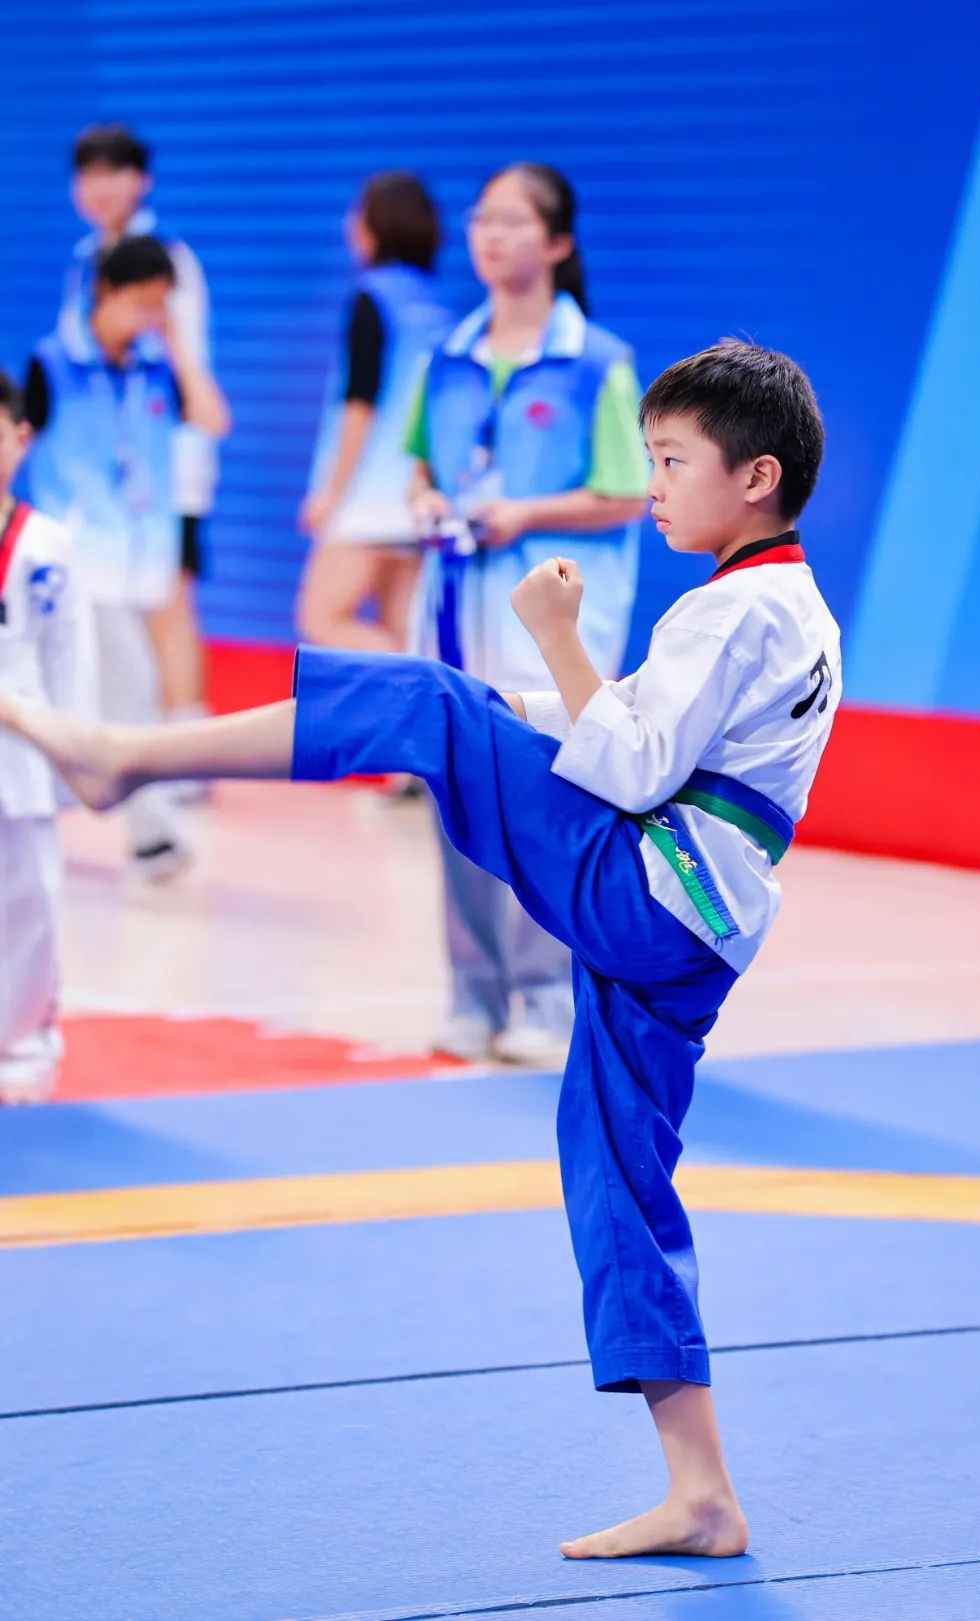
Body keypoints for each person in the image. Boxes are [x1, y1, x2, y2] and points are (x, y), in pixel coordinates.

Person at [0, 339, 840, 1558]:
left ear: (755, 476)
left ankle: (123, 757)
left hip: (647, 892)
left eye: (670, 461)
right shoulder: (788, 604)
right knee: (618, 1170)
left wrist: (551, 633)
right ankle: (703, 1490)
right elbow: (633, 731)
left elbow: (633, 764)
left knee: (425, 704)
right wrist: (521, 704)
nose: (651, 485)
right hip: (698, 928)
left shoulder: (733, 606)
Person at [406, 161, 648, 1064]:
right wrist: (426, 497)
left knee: (547, 808)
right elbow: (420, 459)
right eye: (482, 219)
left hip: (553, 626)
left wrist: (524, 514)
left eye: (513, 221)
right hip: (457, 613)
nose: (492, 236)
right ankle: (472, 994)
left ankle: (545, 1000)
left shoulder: (598, 363)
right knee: (459, 801)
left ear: (557, 242)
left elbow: (627, 492)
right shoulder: (447, 355)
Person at [24, 234, 229, 879]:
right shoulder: (51, 364)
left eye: (160, 305)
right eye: (141, 303)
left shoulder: (156, 367)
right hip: (80, 562)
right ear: (105, 293)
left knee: (73, 696)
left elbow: (213, 419)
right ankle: (153, 837)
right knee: (134, 687)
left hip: (146, 563)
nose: (150, 317)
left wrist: (178, 345)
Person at [65, 123, 228, 764]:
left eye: (115, 171)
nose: (100, 187)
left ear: (142, 181)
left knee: (169, 606)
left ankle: (187, 754)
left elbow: (186, 369)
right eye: (89, 173)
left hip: (168, 465)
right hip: (103, 474)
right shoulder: (86, 259)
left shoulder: (166, 261)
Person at [297, 171, 450, 652]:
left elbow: (359, 405)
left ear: (375, 226)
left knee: (321, 618)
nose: (349, 225)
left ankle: (418, 672)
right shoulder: (437, 306)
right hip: (418, 497)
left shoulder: (372, 298)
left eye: (357, 214)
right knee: (403, 630)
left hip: (365, 500)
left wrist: (329, 495)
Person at [0, 373, 86, 1103]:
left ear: (20, 439)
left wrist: (76, 755)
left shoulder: (47, 544)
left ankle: (24, 1046)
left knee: (27, 901)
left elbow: (70, 659)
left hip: (22, 751)